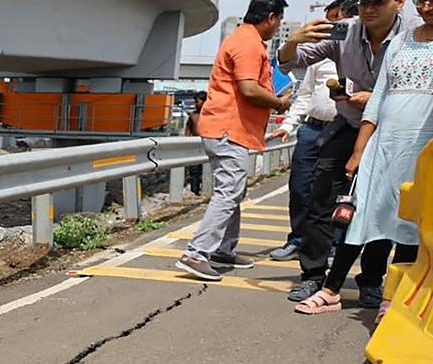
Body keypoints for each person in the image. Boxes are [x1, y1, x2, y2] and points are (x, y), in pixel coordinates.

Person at [294, 0, 433, 318]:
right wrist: (359, 151)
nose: (427, 7)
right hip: (382, 146)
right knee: (360, 218)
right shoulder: (400, 42)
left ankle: (392, 296)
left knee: (408, 226)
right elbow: (379, 97)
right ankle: (330, 290)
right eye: (421, 0)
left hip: (423, 152)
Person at [176, 0, 293, 282]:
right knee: (229, 191)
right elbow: (249, 89)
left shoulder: (243, 39)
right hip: (229, 128)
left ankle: (224, 250)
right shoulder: (249, 44)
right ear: (271, 17)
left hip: (226, 128)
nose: (277, 26)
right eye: (278, 21)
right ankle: (197, 253)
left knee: (232, 191)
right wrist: (279, 103)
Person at [267, 1, 344, 261]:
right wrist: (289, 125)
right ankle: (298, 239)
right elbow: (305, 95)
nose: (331, 25)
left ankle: (332, 245)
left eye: (337, 19)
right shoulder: (318, 55)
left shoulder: (360, 55)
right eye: (328, 20)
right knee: (300, 188)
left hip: (342, 130)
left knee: (335, 193)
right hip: (312, 129)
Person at [184, 91, 208, 195]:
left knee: (207, 170)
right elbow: (188, 129)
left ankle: (207, 190)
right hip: (195, 147)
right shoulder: (193, 116)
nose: (195, 104)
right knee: (194, 171)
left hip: (208, 146)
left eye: (197, 101)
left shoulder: (211, 115)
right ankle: (195, 191)